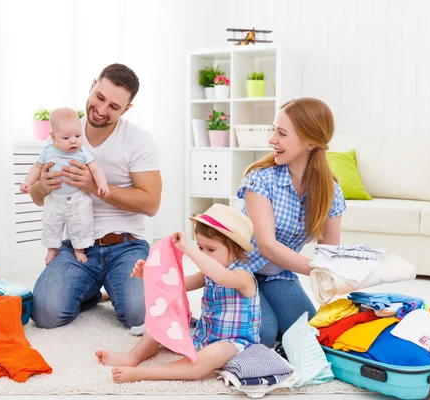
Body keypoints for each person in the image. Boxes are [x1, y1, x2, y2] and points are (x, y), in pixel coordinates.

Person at [29, 64, 162, 330]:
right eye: (100, 97)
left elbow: (151, 204)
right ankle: (93, 291)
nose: (102, 110)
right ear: (92, 86)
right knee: (45, 314)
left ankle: (116, 287)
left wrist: (93, 185)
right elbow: (37, 197)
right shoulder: (62, 134)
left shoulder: (138, 140)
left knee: (140, 316)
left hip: (126, 245)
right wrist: (42, 185)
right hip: (79, 245)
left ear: (126, 110)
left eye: (114, 106)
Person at [95, 204, 260, 384]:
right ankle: (134, 356)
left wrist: (189, 249)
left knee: (206, 360)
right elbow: (177, 285)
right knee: (163, 315)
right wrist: (148, 275)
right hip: (204, 337)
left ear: (235, 250)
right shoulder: (208, 274)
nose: (204, 254)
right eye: (201, 248)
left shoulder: (243, 277)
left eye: (210, 250)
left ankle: (145, 374)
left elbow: (221, 277)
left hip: (234, 344)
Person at [237, 97, 346, 347]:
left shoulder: (331, 192)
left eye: (282, 133)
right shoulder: (261, 180)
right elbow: (267, 247)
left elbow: (330, 254)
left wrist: (344, 274)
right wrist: (320, 270)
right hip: (240, 274)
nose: (272, 139)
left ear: (309, 142)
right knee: (263, 337)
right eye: (274, 130)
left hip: (278, 277)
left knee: (311, 337)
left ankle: (267, 315)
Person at [20, 107, 110, 265]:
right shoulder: (48, 150)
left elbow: (95, 168)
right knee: (51, 223)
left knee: (80, 224)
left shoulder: (82, 152)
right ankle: (52, 248)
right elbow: (37, 168)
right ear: (53, 137)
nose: (73, 140)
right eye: (66, 137)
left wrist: (102, 185)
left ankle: (79, 249)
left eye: (77, 135)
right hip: (54, 198)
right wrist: (28, 182)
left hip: (77, 198)